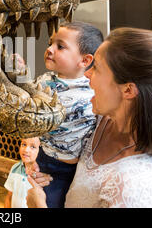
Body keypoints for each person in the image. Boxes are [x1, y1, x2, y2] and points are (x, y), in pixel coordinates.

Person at [27, 27, 152, 208]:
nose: (87, 74)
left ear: (128, 90)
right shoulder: (102, 120)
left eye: (97, 68)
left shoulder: (135, 187)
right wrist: (44, 169)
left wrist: (37, 205)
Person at [30, 21, 104, 208]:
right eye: (50, 43)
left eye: (60, 46)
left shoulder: (93, 90)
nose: (50, 49)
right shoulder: (43, 81)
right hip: (42, 159)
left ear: (85, 61)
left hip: (71, 169)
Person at [4, 137, 40, 208]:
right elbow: (9, 196)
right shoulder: (15, 168)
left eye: (33, 147)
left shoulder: (42, 176)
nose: (26, 150)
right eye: (24, 144)